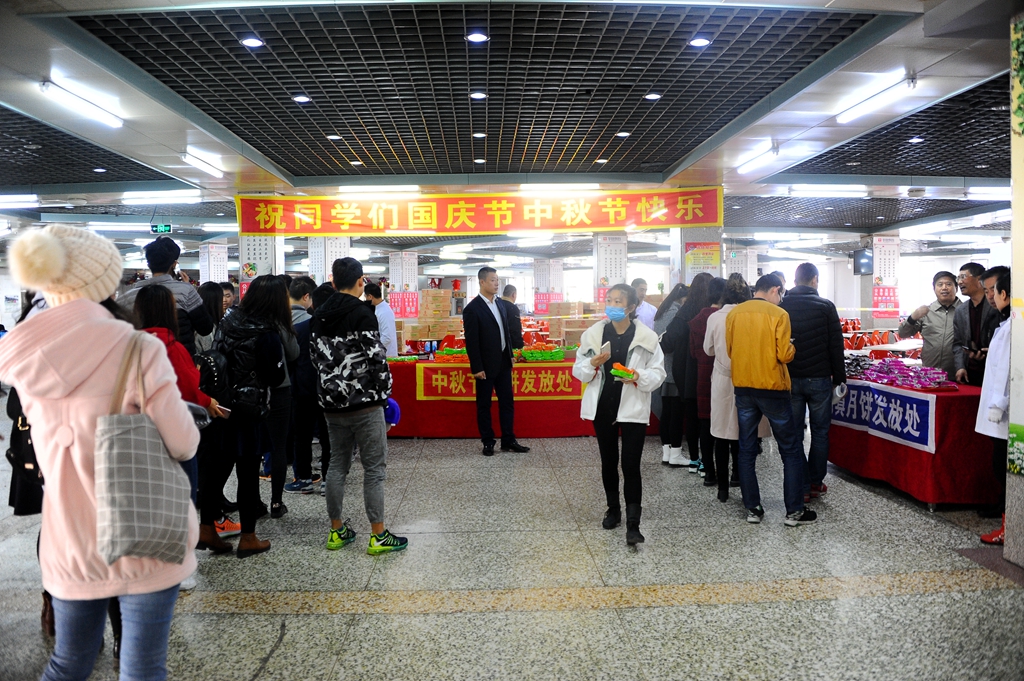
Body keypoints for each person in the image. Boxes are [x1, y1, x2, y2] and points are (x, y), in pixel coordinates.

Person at [0, 224, 199, 680]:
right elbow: (183, 441)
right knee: (142, 667)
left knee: (68, 662)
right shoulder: (137, 348)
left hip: (68, 541)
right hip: (143, 535)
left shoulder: (25, 358)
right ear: (103, 282)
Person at [311, 257, 408, 555]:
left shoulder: (318, 314)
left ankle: (336, 531)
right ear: (360, 281)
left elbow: (315, 359)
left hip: (331, 405)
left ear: (333, 280)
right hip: (365, 404)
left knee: (337, 465)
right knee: (374, 469)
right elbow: (377, 359)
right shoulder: (363, 312)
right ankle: (378, 535)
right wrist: (385, 395)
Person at [572, 283, 665, 545]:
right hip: (604, 406)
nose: (611, 306)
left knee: (631, 464)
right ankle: (613, 510)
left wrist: (638, 376)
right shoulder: (593, 335)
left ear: (631, 307)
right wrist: (591, 364)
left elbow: (658, 373)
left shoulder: (646, 337)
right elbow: (578, 370)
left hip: (632, 406)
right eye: (609, 300)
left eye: (618, 301)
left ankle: (634, 523)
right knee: (609, 460)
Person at [725, 273, 816, 526]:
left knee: (746, 449)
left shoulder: (734, 314)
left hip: (744, 387)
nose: (781, 298)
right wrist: (793, 346)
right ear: (775, 289)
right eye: (782, 293)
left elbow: (731, 350)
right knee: (790, 449)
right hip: (773, 388)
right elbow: (784, 355)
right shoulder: (779, 315)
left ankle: (753, 509)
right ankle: (794, 511)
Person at [133, 285, 227, 508]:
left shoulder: (128, 345)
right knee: (183, 500)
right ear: (169, 312)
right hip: (172, 431)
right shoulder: (171, 347)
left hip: (137, 432)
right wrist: (208, 401)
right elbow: (187, 389)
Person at [214, 275, 287, 558]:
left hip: (221, 406)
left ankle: (207, 528)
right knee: (247, 475)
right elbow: (276, 376)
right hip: (249, 409)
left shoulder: (227, 322)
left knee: (218, 469)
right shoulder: (267, 333)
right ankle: (248, 537)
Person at [780, 262, 846, 502]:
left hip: (790, 379)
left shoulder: (782, 306)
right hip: (819, 379)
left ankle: (802, 484)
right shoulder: (826, 307)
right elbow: (836, 345)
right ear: (815, 280)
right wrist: (840, 378)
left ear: (794, 281)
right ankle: (816, 482)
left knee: (795, 433)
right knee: (820, 432)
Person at [704, 274, 770, 503]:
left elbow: (708, 350)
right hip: (749, 379)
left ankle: (722, 489)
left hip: (723, 379)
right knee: (745, 434)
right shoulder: (754, 315)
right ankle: (740, 480)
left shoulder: (715, 317)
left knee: (722, 434)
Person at [463, 267, 530, 456]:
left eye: (497, 280)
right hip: (484, 365)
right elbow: (471, 341)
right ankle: (488, 441)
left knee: (507, 402)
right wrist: (477, 367)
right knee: (484, 405)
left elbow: (505, 332)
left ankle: (508, 440)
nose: (496, 283)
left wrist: (510, 354)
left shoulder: (500, 304)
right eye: (492, 280)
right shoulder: (472, 309)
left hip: (503, 362)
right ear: (482, 282)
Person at [117, 236, 214, 356]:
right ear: (174, 264)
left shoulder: (125, 299)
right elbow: (205, 328)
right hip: (179, 360)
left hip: (140, 362)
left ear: (149, 264)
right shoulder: (186, 291)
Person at [663, 272, 714, 472]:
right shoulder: (712, 313)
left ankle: (694, 460)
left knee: (691, 415)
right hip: (708, 369)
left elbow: (668, 341)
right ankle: (708, 461)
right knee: (708, 417)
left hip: (685, 371)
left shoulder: (683, 312)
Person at [977, 272, 1011, 545]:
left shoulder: (1012, 328)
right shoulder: (1007, 324)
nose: (992, 297)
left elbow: (1007, 369)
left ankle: (1009, 528)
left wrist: (998, 404)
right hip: (1002, 409)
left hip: (1006, 413)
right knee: (1001, 466)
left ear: (1005, 295)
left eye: (995, 291)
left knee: (1004, 468)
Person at [285, 276, 323, 494]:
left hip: (293, 387)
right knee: (323, 434)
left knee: (301, 435)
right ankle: (326, 479)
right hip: (316, 385)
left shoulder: (279, 321)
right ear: (307, 296)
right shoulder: (311, 322)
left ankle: (303, 478)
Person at [689, 277, 728, 487]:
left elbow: (693, 352)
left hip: (702, 375)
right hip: (725, 377)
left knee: (705, 424)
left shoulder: (697, 320)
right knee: (724, 425)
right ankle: (728, 473)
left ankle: (708, 471)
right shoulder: (726, 318)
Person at [897, 271, 961, 381]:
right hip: (929, 373)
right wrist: (912, 318)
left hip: (957, 374)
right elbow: (903, 333)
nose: (944, 288)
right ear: (934, 289)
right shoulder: (926, 312)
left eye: (948, 284)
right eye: (940, 284)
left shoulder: (964, 311)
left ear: (956, 288)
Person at [653, 283, 688, 465]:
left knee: (666, 412)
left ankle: (667, 452)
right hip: (673, 368)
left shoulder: (662, 311)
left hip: (662, 368)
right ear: (683, 298)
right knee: (676, 413)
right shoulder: (676, 313)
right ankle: (675, 453)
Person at [953, 262, 999, 386]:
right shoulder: (960, 310)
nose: (959, 282)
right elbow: (957, 344)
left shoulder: (995, 306)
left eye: (963, 277)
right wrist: (960, 367)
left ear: (979, 280)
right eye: (958, 278)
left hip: (993, 372)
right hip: (969, 373)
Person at [364, 282, 398, 357]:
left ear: (370, 296)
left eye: (366, 297)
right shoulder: (378, 309)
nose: (366, 300)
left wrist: (374, 349)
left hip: (387, 355)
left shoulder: (385, 312)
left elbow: (387, 337)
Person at [194, 281, 227, 353]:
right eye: (222, 298)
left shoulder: (196, 323)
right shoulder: (207, 330)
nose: (224, 300)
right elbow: (212, 355)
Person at [500, 284, 524, 350]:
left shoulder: (497, 305)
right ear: (513, 294)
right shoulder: (513, 308)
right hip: (510, 345)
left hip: (498, 344)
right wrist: (519, 345)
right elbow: (515, 329)